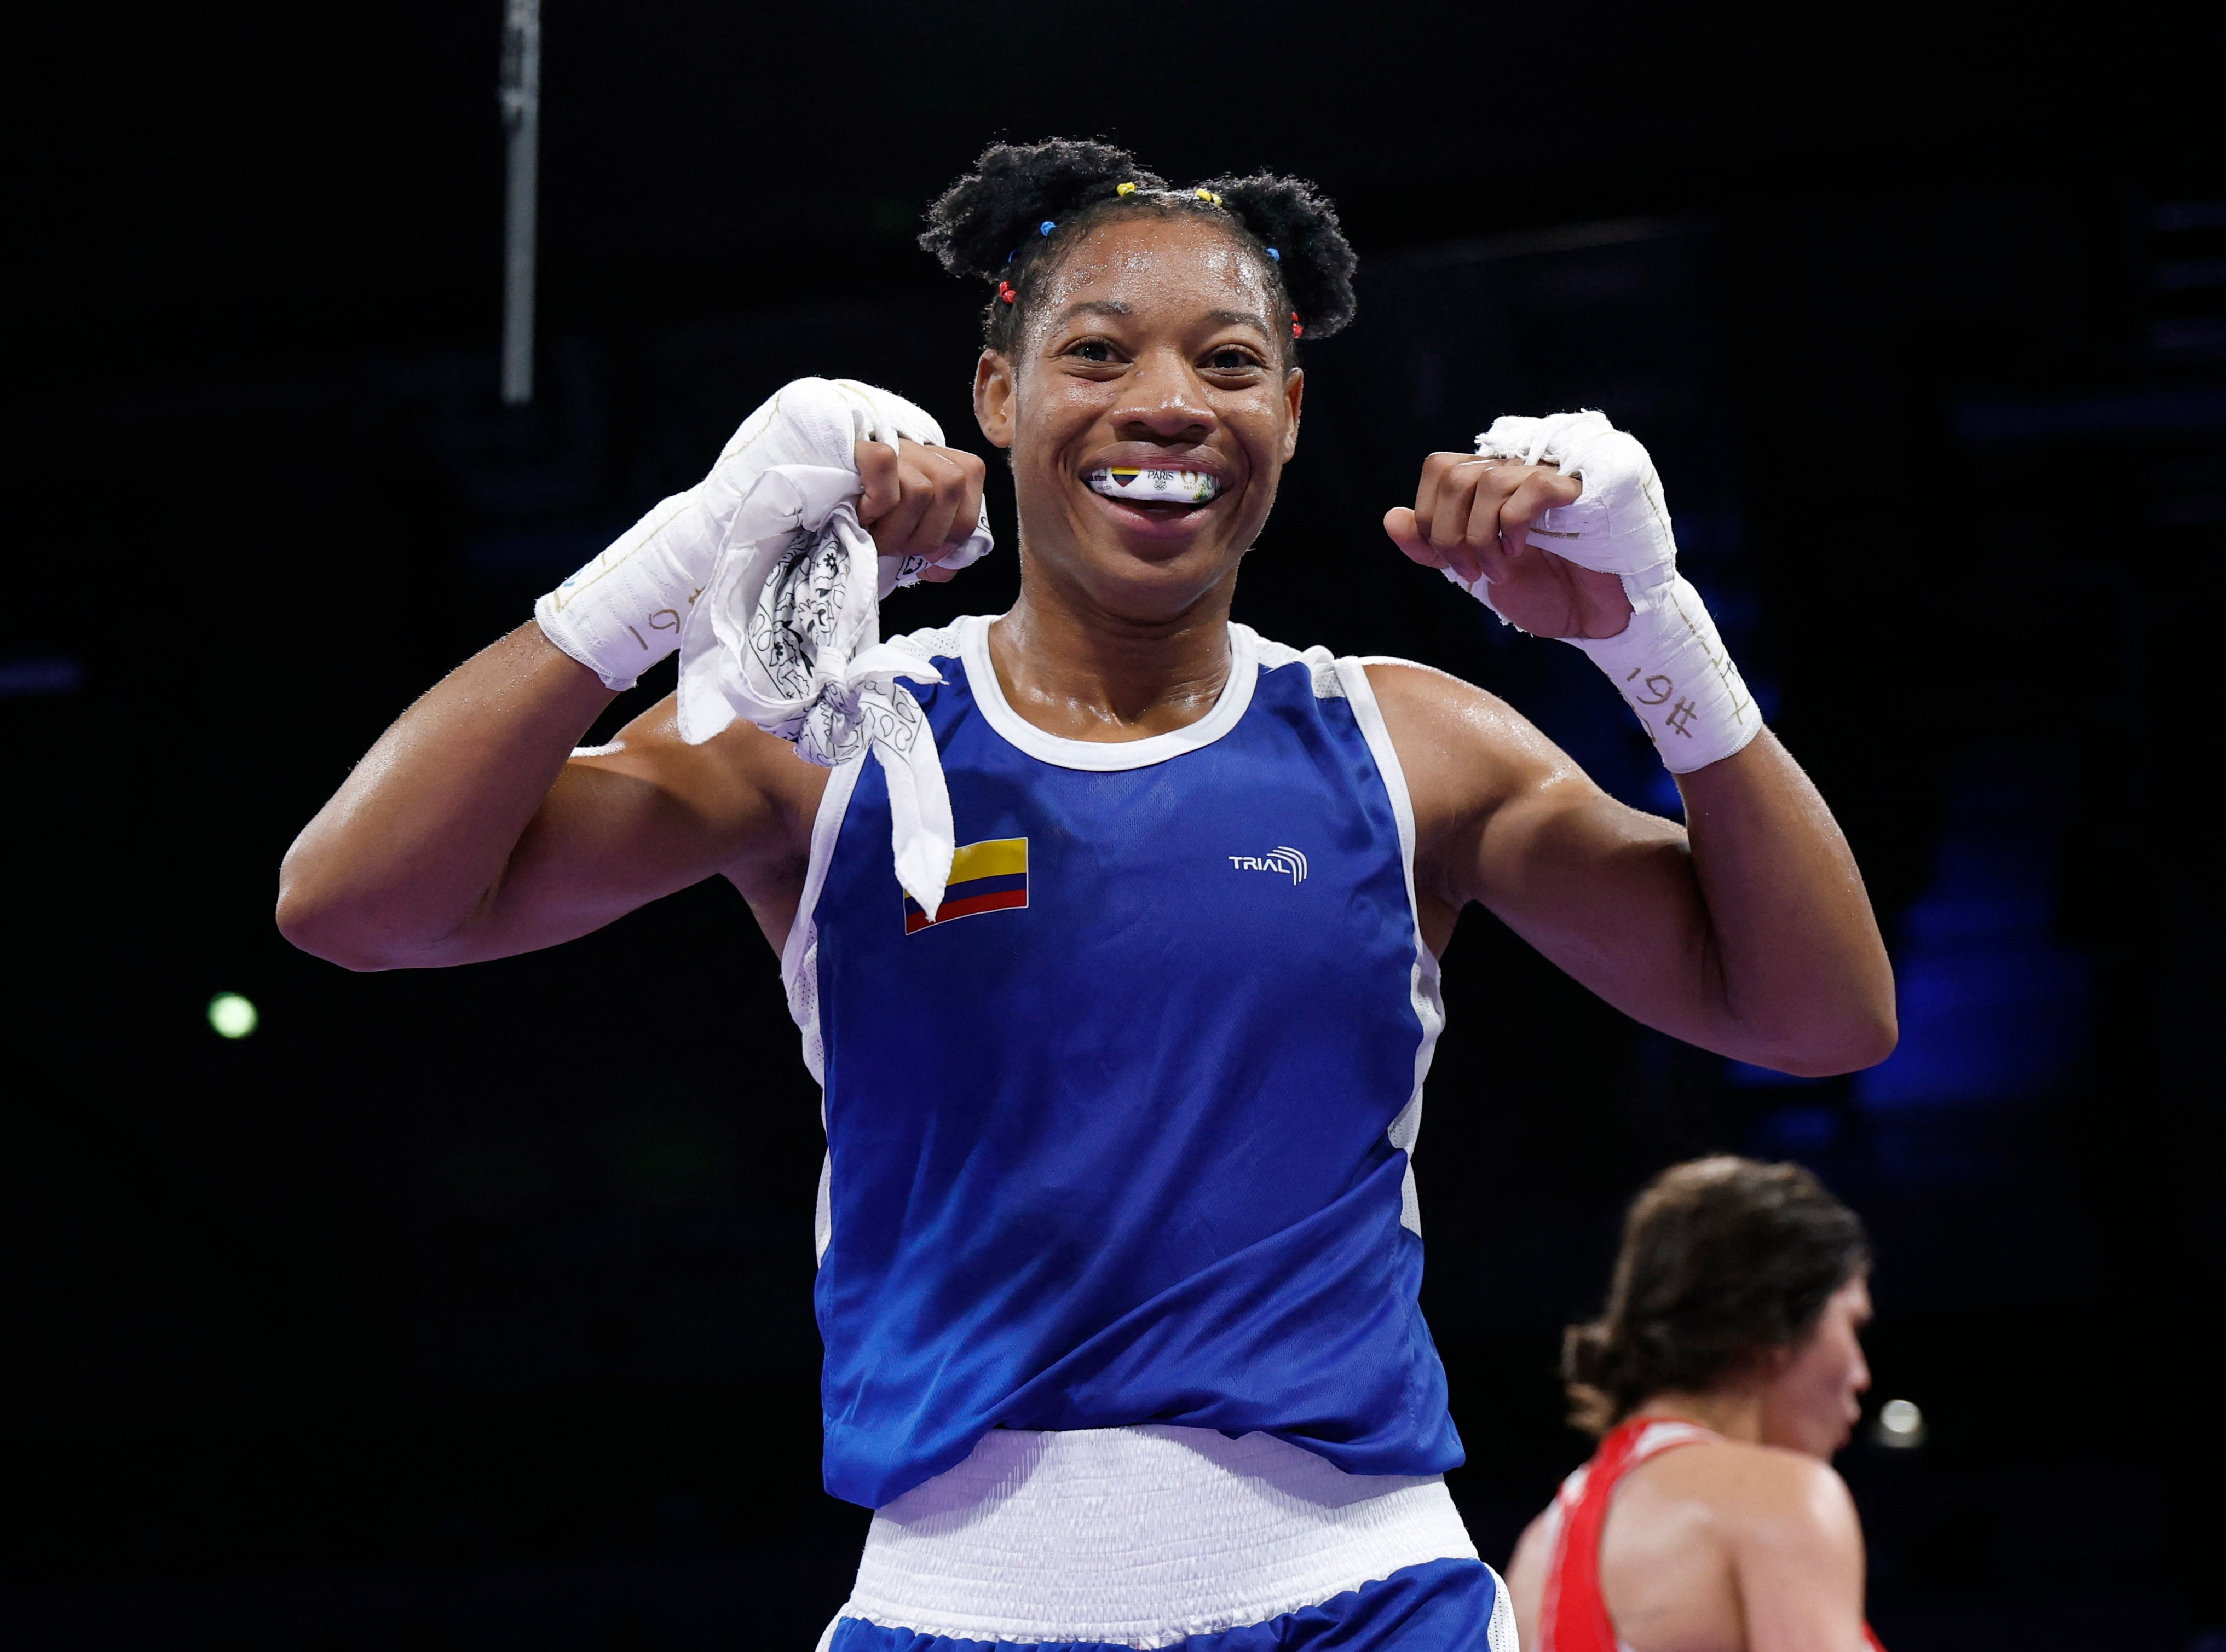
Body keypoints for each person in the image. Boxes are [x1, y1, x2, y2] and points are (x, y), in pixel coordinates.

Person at [278, 138, 1896, 1650]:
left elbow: (1815, 1014)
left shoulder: (1408, 742)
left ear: (1288, 408)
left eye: (1228, 360)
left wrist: (1649, 632)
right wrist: (683, 552)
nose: (1169, 402)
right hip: (952, 1602)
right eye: (1099, 351)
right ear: (994, 389)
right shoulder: (830, 743)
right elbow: (360, 903)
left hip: (1363, 1593)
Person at [1504, 1157, 1885, 1652]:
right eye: (1852, 1326)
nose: (1861, 1374)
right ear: (1774, 1324)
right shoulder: (1784, 1500)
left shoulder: (1536, 1552)